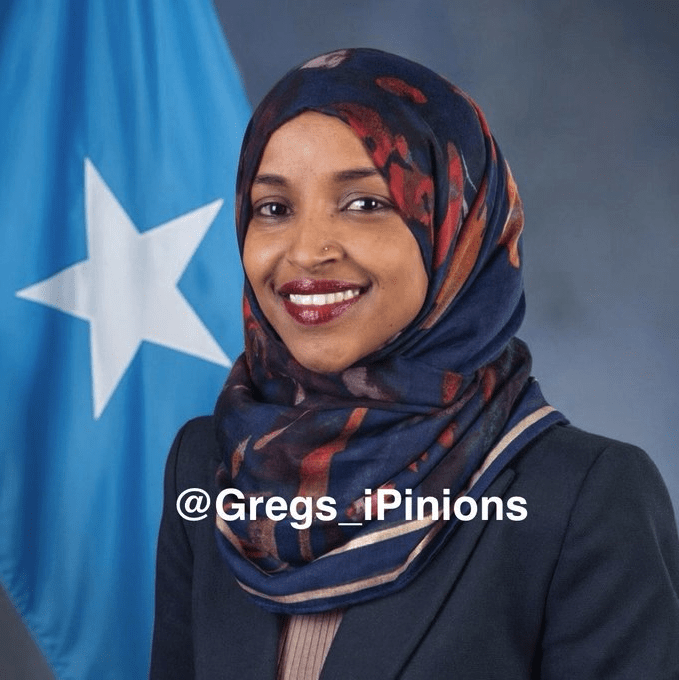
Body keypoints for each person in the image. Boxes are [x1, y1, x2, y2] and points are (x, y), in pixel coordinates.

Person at [150, 48, 679, 679]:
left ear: (458, 227)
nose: (306, 251)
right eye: (274, 208)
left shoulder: (583, 497)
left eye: (364, 203)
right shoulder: (208, 466)